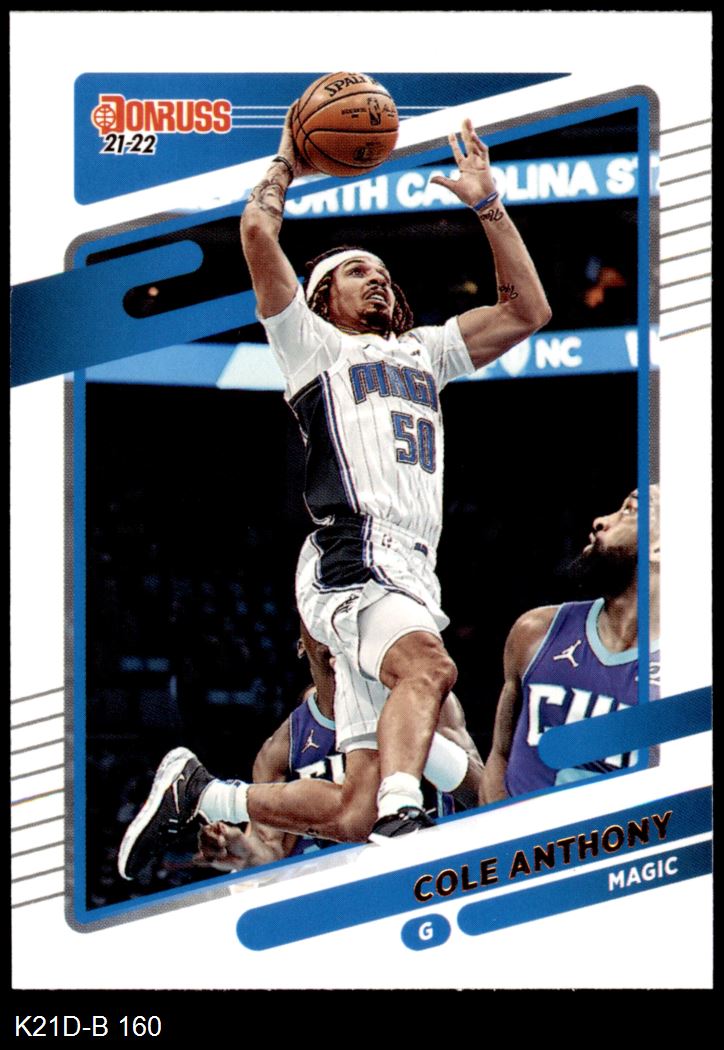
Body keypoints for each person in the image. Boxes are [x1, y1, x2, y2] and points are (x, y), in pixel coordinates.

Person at [238, 107, 550, 837]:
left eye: (383, 273)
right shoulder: (312, 345)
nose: (376, 280)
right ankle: (404, 812)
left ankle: (205, 794)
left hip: (411, 560)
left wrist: (488, 204)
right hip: (356, 547)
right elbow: (256, 232)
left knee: (357, 804)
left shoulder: (425, 352)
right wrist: (288, 160)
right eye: (357, 272)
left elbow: (527, 310)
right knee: (431, 670)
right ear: (322, 297)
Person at [118, 623, 483, 880]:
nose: (335, 632)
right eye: (321, 624)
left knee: (362, 815)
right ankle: (210, 796)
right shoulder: (282, 749)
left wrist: (420, 743)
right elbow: (269, 854)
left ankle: (209, 795)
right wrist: (240, 851)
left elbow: (486, 797)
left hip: (435, 872)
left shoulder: (428, 699)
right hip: (341, 894)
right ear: (301, 645)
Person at [482, 486, 661, 802]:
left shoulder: (693, 676)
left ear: (660, 548)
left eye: (630, 510)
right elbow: (499, 756)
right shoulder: (536, 631)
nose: (601, 521)